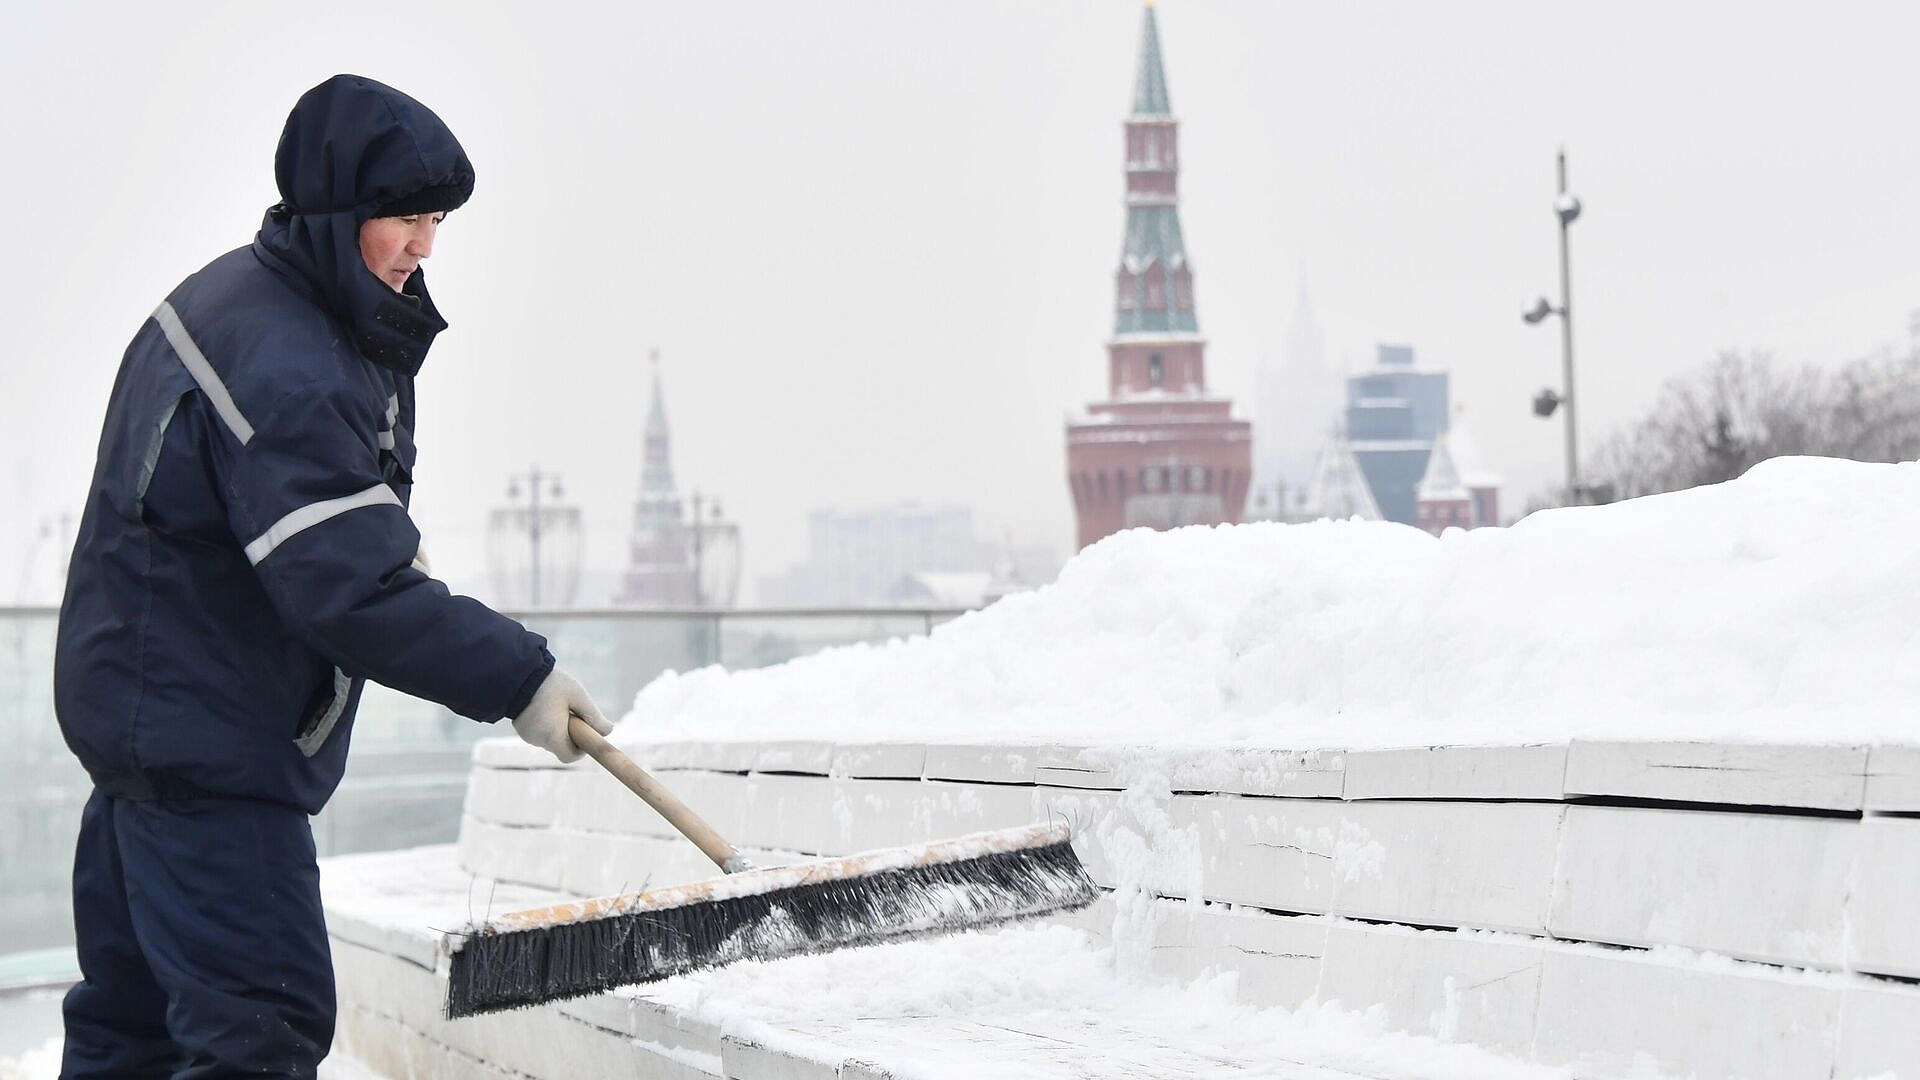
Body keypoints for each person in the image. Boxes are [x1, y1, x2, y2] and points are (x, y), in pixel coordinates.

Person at [51, 74, 612, 1078]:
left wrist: (364, 527)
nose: (424, 244)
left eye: (436, 218)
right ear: (335, 207)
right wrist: (519, 677)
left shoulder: (229, 301)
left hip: (143, 741)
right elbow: (349, 593)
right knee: (258, 1038)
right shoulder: (288, 361)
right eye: (403, 216)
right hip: (213, 761)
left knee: (127, 1037)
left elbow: (265, 521)